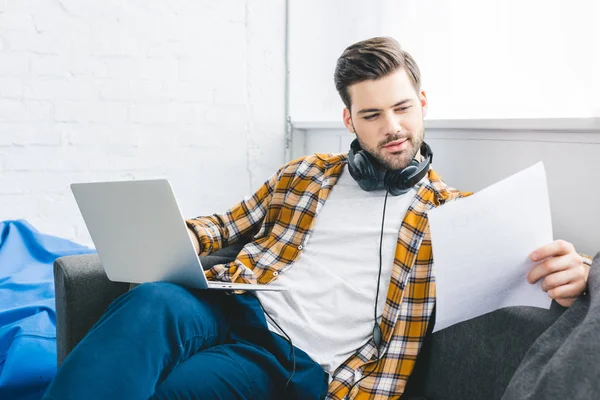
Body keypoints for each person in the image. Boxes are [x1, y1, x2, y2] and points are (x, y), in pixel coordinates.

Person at [43, 37, 592, 400]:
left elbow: (531, 275)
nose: (392, 126)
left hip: (293, 362)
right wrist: (175, 235)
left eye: (402, 108)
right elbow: (227, 224)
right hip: (241, 305)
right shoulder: (307, 173)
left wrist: (578, 274)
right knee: (150, 299)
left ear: (423, 102)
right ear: (349, 119)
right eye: (372, 115)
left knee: (173, 392)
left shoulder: (455, 216)